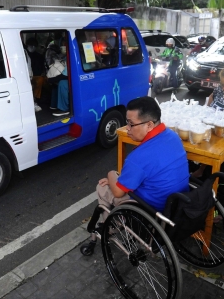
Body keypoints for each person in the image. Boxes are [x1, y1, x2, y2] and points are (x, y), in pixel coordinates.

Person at [81, 97, 190, 250]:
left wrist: (111, 174)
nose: (127, 128)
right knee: (119, 181)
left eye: (131, 124)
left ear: (149, 125)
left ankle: (110, 227)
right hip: (177, 204)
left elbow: (118, 192)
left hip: (151, 209)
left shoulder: (138, 157)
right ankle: (115, 223)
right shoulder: (172, 136)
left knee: (103, 187)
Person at [25, 38, 47, 104]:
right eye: (31, 45)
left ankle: (35, 98)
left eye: (34, 45)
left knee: (40, 80)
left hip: (37, 76)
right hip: (26, 76)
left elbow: (42, 67)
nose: (32, 47)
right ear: (27, 45)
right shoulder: (24, 55)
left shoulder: (39, 56)